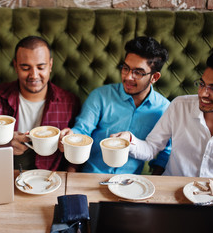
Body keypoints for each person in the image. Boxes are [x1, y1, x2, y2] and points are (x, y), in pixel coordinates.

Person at [114, 51, 213, 178]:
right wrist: (129, 140)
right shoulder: (179, 106)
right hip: (172, 190)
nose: (203, 93)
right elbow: (151, 148)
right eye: (202, 84)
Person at [61, 36, 171, 174]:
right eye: (126, 68)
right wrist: (71, 135)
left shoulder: (165, 109)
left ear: (154, 77)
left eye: (138, 72)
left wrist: (154, 184)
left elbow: (165, 154)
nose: (128, 77)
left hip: (131, 183)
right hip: (91, 176)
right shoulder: (100, 96)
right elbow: (82, 131)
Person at [0, 36, 80, 171]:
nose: (34, 75)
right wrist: (3, 144)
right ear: (16, 66)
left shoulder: (69, 101)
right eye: (25, 67)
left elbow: (76, 155)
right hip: (4, 171)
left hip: (51, 177)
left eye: (41, 67)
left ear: (50, 65)